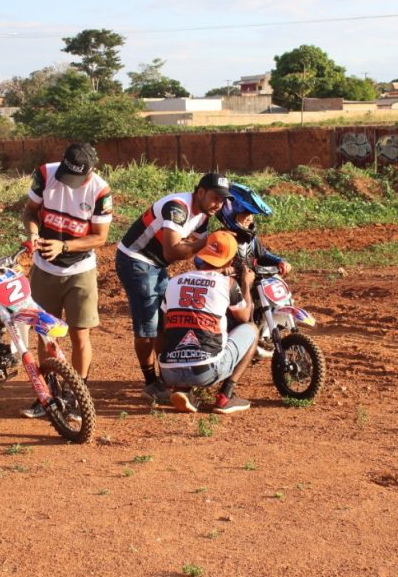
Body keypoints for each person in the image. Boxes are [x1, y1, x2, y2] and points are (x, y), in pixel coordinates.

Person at [116, 172, 231, 404]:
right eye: (214, 197)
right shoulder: (177, 207)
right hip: (136, 260)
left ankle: (167, 377)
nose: (218, 204)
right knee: (147, 326)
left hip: (156, 264)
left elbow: (194, 251)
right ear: (200, 192)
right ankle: (150, 383)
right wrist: (206, 242)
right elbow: (173, 251)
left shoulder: (203, 217)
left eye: (222, 199)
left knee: (166, 320)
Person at [21, 143, 113, 418]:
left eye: (77, 178)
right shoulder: (46, 174)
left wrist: (64, 246)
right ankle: (47, 394)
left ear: (90, 171)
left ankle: (76, 395)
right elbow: (29, 212)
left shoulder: (100, 191)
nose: (70, 184)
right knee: (45, 333)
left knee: (79, 334)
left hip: (79, 270)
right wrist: (33, 233)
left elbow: (100, 237)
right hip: (43, 269)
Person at [158, 230, 257, 414]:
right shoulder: (227, 284)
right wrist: (246, 284)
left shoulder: (174, 281)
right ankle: (225, 397)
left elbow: (166, 325)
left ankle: (182, 389)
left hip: (168, 371)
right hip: (206, 371)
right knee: (251, 329)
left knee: (182, 329)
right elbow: (244, 317)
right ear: (229, 261)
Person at [216, 182, 291, 358]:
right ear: (231, 213)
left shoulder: (251, 240)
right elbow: (201, 260)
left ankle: (263, 331)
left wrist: (280, 261)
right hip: (232, 288)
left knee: (269, 297)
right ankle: (242, 340)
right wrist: (223, 270)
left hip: (251, 283)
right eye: (245, 215)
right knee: (236, 316)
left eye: (251, 215)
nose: (250, 219)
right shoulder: (223, 237)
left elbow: (264, 255)